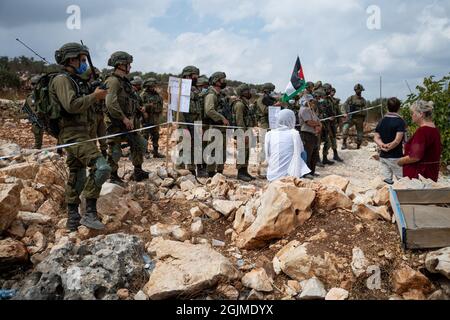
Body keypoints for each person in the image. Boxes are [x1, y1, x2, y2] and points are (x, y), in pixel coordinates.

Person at [51, 42, 111, 231]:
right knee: (102, 167)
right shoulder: (62, 80)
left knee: (76, 174)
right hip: (72, 135)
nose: (84, 64)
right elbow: (71, 105)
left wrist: (94, 89)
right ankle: (90, 213)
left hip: (84, 133)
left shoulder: (75, 80)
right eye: (82, 60)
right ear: (72, 60)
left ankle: (73, 218)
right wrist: (95, 96)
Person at [104, 51, 149, 186]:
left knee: (139, 144)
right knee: (115, 150)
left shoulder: (125, 83)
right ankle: (112, 175)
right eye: (128, 64)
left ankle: (138, 170)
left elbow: (131, 100)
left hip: (129, 122)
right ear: (120, 65)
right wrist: (123, 118)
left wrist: (139, 109)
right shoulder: (112, 81)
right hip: (116, 122)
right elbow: (111, 103)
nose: (130, 66)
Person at [398, 100, 442, 182]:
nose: (412, 116)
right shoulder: (435, 130)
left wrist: (400, 161)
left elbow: (415, 156)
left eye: (413, 113)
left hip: (418, 176)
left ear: (421, 114)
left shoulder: (423, 131)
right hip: (430, 174)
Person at [265, 109, 310, 182]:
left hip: (272, 175)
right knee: (303, 153)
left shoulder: (269, 134)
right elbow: (301, 151)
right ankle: (300, 175)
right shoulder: (294, 133)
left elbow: (268, 155)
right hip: (290, 176)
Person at [374, 97, 406, 184]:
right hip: (396, 156)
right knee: (402, 181)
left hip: (383, 156)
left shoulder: (381, 121)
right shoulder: (400, 121)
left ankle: (389, 196)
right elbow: (397, 140)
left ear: (387, 107)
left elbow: (376, 137)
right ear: (399, 108)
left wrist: (382, 146)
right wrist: (389, 147)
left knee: (387, 181)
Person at [204, 72, 230, 177]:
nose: (224, 81)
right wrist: (222, 118)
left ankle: (219, 171)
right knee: (213, 150)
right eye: (222, 79)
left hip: (221, 127)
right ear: (216, 81)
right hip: (214, 126)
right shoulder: (211, 95)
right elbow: (209, 110)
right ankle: (211, 172)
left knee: (221, 150)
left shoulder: (219, 95)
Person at [232, 83, 255, 182]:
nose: (249, 92)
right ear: (242, 93)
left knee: (246, 151)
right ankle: (240, 173)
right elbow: (239, 120)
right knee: (242, 151)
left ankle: (245, 171)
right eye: (247, 91)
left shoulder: (244, 103)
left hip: (247, 130)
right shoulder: (239, 104)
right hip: (242, 132)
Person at [140, 78, 165, 159]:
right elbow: (139, 106)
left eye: (154, 86)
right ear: (148, 86)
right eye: (152, 86)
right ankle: (145, 152)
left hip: (155, 118)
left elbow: (161, 106)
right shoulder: (143, 95)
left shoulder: (157, 95)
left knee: (156, 136)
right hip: (146, 119)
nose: (153, 88)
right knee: (145, 136)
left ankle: (155, 152)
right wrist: (147, 107)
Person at [299, 94, 322, 179]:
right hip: (307, 134)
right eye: (311, 101)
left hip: (314, 134)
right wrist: (317, 124)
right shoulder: (304, 110)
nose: (313, 103)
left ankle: (312, 171)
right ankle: (306, 172)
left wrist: (319, 125)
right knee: (307, 154)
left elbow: (318, 121)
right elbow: (309, 122)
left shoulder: (311, 110)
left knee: (314, 154)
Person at [342, 84, 368, 149]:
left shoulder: (363, 100)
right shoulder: (351, 98)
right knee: (345, 128)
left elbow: (366, 110)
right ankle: (344, 143)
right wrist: (344, 113)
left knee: (360, 133)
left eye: (360, 90)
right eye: (357, 90)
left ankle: (358, 146)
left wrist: (365, 119)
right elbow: (343, 105)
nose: (359, 91)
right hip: (351, 117)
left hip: (360, 119)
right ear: (355, 90)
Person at [24, 75, 44, 149]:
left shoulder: (37, 94)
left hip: (39, 116)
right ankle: (37, 147)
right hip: (38, 117)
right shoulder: (33, 95)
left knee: (37, 128)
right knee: (37, 128)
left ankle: (37, 146)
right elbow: (33, 108)